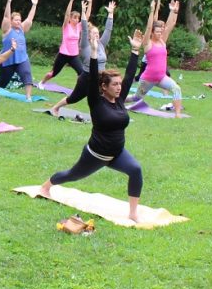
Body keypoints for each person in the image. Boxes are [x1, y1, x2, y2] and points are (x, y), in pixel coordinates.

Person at [40, 27, 146, 223]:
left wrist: (135, 51)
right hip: (95, 155)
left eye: (119, 84)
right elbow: (92, 77)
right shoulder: (96, 102)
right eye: (114, 84)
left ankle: (133, 212)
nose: (118, 87)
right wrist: (95, 53)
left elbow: (130, 77)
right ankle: (47, 185)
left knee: (136, 170)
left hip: (117, 154)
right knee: (72, 175)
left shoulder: (120, 100)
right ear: (103, 87)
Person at [50, 0, 115, 115]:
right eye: (94, 33)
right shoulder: (85, 45)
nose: (96, 35)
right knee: (73, 98)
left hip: (101, 77)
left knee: (106, 96)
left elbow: (108, 30)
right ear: (89, 36)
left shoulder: (101, 44)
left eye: (97, 33)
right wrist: (84, 13)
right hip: (86, 78)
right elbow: (84, 29)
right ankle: (56, 107)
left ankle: (109, 114)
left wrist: (110, 14)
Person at [131, 0, 185, 118]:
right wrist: (151, 11)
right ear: (152, 33)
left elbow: (171, 24)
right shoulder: (147, 43)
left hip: (161, 77)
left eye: (161, 31)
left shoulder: (162, 41)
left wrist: (173, 11)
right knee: (136, 98)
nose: (160, 33)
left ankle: (177, 115)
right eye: (158, 32)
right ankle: (114, 102)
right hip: (148, 79)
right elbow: (149, 26)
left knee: (177, 88)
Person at [0, 0, 39, 101]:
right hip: (7, 59)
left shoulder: (22, 29)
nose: (18, 22)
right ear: (11, 21)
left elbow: (29, 19)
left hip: (22, 58)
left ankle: (28, 97)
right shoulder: (7, 30)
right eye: (16, 20)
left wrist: (34, 5)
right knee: (4, 80)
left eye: (19, 20)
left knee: (27, 74)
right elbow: (6, 17)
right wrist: (9, 2)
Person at [38, 0, 84, 88]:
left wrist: (91, 2)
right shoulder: (66, 26)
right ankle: (42, 82)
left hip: (73, 56)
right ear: (70, 19)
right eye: (75, 17)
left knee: (81, 72)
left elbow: (86, 17)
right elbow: (67, 14)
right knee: (53, 73)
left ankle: (79, 89)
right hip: (63, 54)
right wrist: (71, 0)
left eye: (78, 18)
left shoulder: (79, 26)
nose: (77, 19)